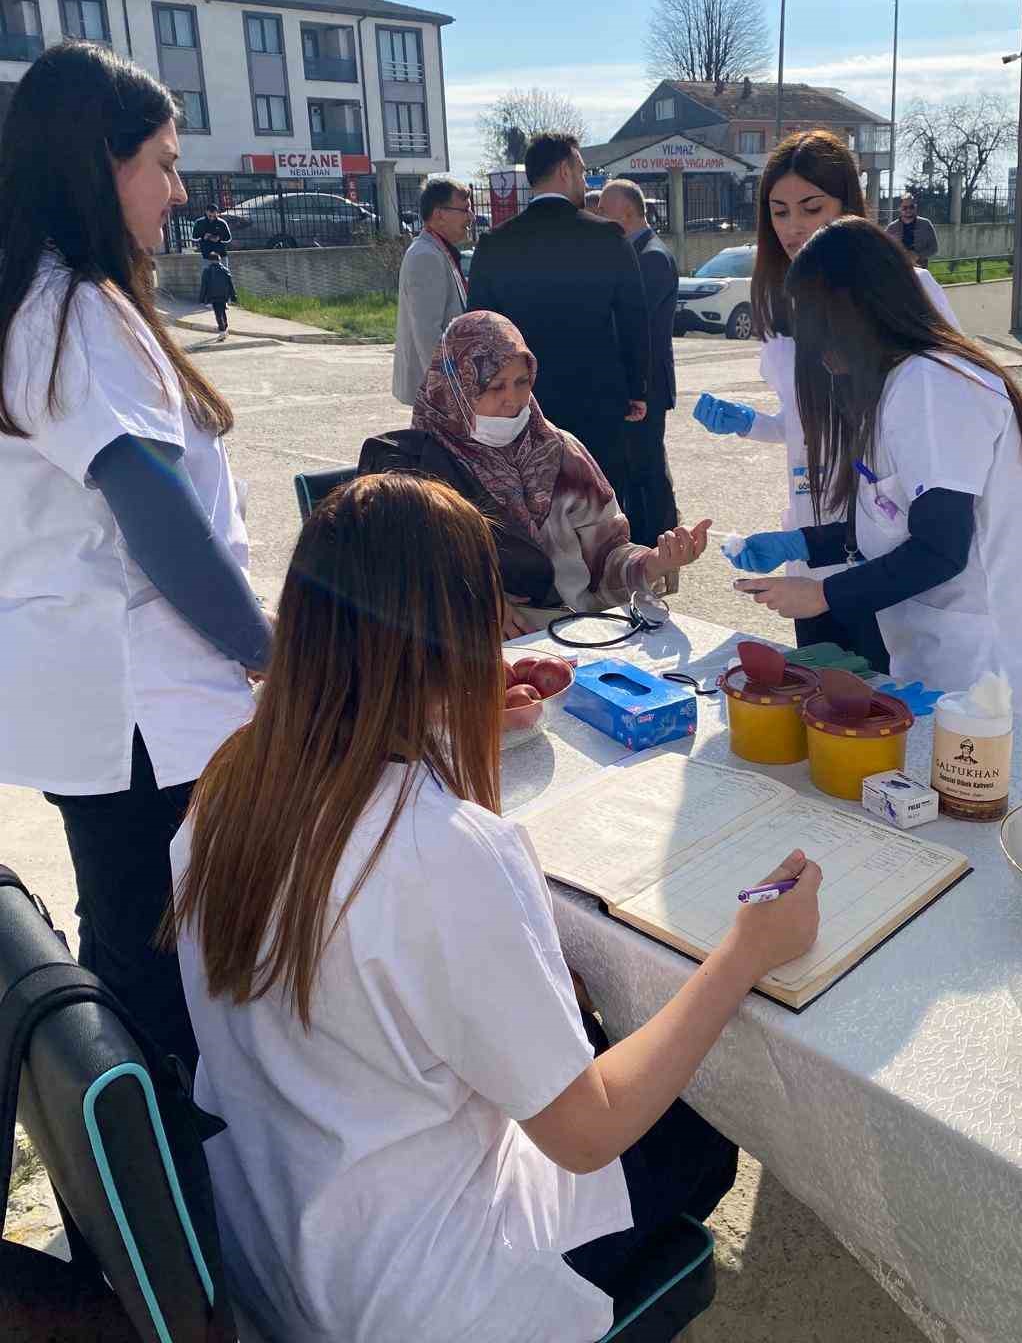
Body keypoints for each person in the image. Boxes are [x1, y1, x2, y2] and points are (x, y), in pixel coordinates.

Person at [170, 472, 822, 1343]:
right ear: (461, 638)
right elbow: (587, 1134)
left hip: (282, 1243)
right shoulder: (440, 851)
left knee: (591, 1035)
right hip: (426, 1293)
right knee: (700, 1124)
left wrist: (454, 727)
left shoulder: (230, 782)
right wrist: (745, 951)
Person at [0, 41, 273, 1066]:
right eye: (162, 163)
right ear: (98, 163)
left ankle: (126, 1154)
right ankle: (155, 1164)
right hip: (143, 706)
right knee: (161, 980)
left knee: (129, 946)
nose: (179, 190)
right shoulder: (72, 307)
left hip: (109, 704)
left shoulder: (45, 300)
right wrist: (268, 649)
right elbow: (157, 518)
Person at [731, 218, 1022, 713]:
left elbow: (940, 548)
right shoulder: (896, 385)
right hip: (937, 653)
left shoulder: (932, 384)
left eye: (818, 324)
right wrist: (803, 543)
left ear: (858, 310)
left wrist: (822, 595)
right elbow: (891, 516)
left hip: (981, 664)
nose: (815, 349)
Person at [692, 129, 960, 665]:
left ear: (849, 207)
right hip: (815, 527)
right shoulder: (779, 302)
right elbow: (805, 425)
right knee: (820, 688)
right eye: (779, 212)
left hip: (889, 536)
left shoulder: (907, 290)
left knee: (888, 687)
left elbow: (938, 412)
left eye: (812, 208)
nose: (794, 227)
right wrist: (750, 423)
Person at [361, 311, 709, 636]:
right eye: (494, 386)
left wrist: (653, 562)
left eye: (522, 381)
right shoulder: (415, 466)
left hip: (576, 632)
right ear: (457, 387)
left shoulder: (560, 452)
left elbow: (606, 556)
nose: (513, 399)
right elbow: (397, 577)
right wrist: (473, 602)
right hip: (476, 645)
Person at [467, 132, 650, 499]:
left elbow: (479, 330)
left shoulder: (494, 244)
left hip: (523, 402)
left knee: (532, 501)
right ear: (565, 170)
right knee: (600, 502)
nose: (585, 180)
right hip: (597, 400)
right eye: (581, 171)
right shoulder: (608, 237)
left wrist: (486, 399)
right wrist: (636, 389)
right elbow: (634, 320)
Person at [597, 178, 680, 550]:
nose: (598, 217)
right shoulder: (637, 253)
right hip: (638, 384)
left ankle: (658, 542)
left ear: (627, 213)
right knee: (639, 466)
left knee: (647, 469)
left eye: (604, 211)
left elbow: (634, 326)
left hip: (648, 385)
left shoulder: (651, 257)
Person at [390, 176, 472, 405]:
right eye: (464, 210)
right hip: (437, 392)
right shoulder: (426, 256)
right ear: (439, 214)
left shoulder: (437, 250)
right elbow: (428, 335)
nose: (471, 217)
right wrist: (449, 391)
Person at [886, 194, 939, 265]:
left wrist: (918, 256)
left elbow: (934, 248)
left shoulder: (926, 224)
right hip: (898, 267)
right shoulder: (892, 227)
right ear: (899, 208)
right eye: (905, 208)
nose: (908, 210)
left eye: (911, 207)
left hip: (920, 267)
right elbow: (884, 248)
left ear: (915, 207)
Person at [199, 249, 237, 338]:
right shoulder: (225, 270)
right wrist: (233, 296)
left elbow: (204, 285)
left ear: (210, 260)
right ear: (219, 260)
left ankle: (222, 331)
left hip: (213, 296)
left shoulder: (207, 271)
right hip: (224, 295)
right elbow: (230, 284)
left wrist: (202, 298)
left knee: (218, 314)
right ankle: (225, 329)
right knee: (223, 312)